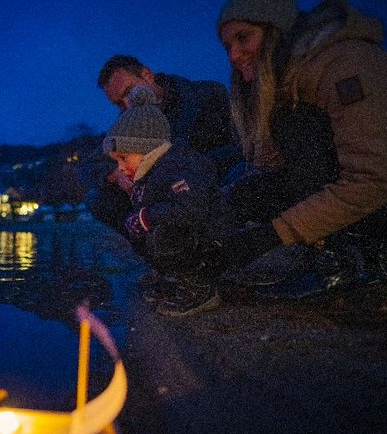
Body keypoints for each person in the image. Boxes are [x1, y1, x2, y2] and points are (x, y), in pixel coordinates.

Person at [214, 0, 387, 298]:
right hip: (348, 194)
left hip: (374, 200)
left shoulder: (345, 63)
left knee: (293, 122)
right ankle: (321, 248)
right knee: (245, 192)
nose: (233, 55)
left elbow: (373, 179)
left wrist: (273, 234)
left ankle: (345, 257)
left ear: (275, 30)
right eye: (227, 45)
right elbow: (268, 166)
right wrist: (222, 207)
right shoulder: (281, 79)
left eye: (244, 37)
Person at [102, 85, 232, 316]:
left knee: (163, 236)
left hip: (213, 242)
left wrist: (146, 217)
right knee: (143, 232)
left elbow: (190, 208)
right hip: (193, 238)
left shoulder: (178, 166)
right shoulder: (150, 172)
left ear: (147, 149)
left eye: (123, 158)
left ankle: (199, 288)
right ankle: (176, 279)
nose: (120, 168)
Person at [82, 55, 240, 238]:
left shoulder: (206, 94)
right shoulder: (129, 122)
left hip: (207, 179)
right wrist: (115, 175)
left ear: (147, 75)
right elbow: (90, 165)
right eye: (118, 103)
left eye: (129, 92)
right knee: (99, 199)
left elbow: (236, 144)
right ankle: (158, 253)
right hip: (159, 192)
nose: (127, 104)